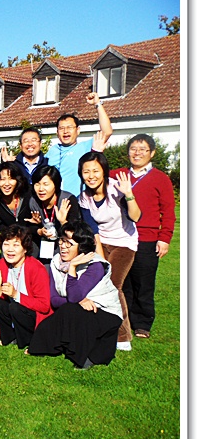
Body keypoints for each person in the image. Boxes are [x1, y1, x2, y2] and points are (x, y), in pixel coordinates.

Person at [28, 221, 123, 370]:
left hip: (104, 311)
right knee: (61, 315)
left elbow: (74, 296)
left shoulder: (95, 266)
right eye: (62, 240)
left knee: (72, 311)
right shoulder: (56, 262)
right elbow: (54, 299)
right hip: (78, 309)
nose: (63, 246)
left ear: (82, 247)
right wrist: (79, 301)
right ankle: (46, 347)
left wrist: (72, 268)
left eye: (69, 243)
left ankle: (88, 356)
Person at [111, 134, 176, 339]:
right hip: (121, 236)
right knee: (123, 281)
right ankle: (125, 320)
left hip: (146, 238)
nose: (137, 153)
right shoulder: (118, 175)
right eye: (133, 149)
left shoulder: (160, 178)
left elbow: (168, 211)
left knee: (143, 282)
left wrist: (164, 238)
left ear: (152, 153)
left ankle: (142, 323)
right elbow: (96, 173)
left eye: (142, 149)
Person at [78, 151, 141, 352]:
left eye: (95, 171)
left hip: (124, 242)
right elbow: (93, 230)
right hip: (101, 241)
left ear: (104, 171)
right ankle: (99, 327)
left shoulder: (116, 189)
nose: (91, 176)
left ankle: (123, 336)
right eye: (86, 172)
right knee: (96, 281)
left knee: (113, 284)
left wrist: (129, 194)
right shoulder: (84, 197)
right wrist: (100, 259)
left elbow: (136, 217)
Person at [0, 224, 52, 349]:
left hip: (33, 314)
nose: (10, 250)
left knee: (15, 307)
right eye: (6, 244)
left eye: (16, 245)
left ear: (25, 249)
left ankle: (27, 339)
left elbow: (44, 306)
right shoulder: (1, 265)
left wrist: (16, 295)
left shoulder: (36, 268)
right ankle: (9, 337)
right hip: (15, 309)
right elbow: (4, 299)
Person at [45, 92, 112, 196]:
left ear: (78, 130)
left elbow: (107, 132)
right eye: (62, 128)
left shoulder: (86, 147)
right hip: (56, 201)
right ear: (57, 133)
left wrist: (98, 104)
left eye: (70, 127)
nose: (65, 131)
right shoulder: (52, 151)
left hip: (79, 200)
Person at [28, 165, 81, 264]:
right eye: (37, 184)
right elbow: (27, 227)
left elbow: (76, 232)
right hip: (43, 246)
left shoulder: (67, 200)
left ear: (55, 185)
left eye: (46, 184)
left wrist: (63, 222)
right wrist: (39, 230)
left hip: (65, 246)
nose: (41, 189)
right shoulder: (33, 201)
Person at [0, 162, 37, 253]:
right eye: (2, 179)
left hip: (30, 243)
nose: (7, 184)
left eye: (11, 179)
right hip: (10, 245)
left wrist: (37, 223)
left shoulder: (28, 194)